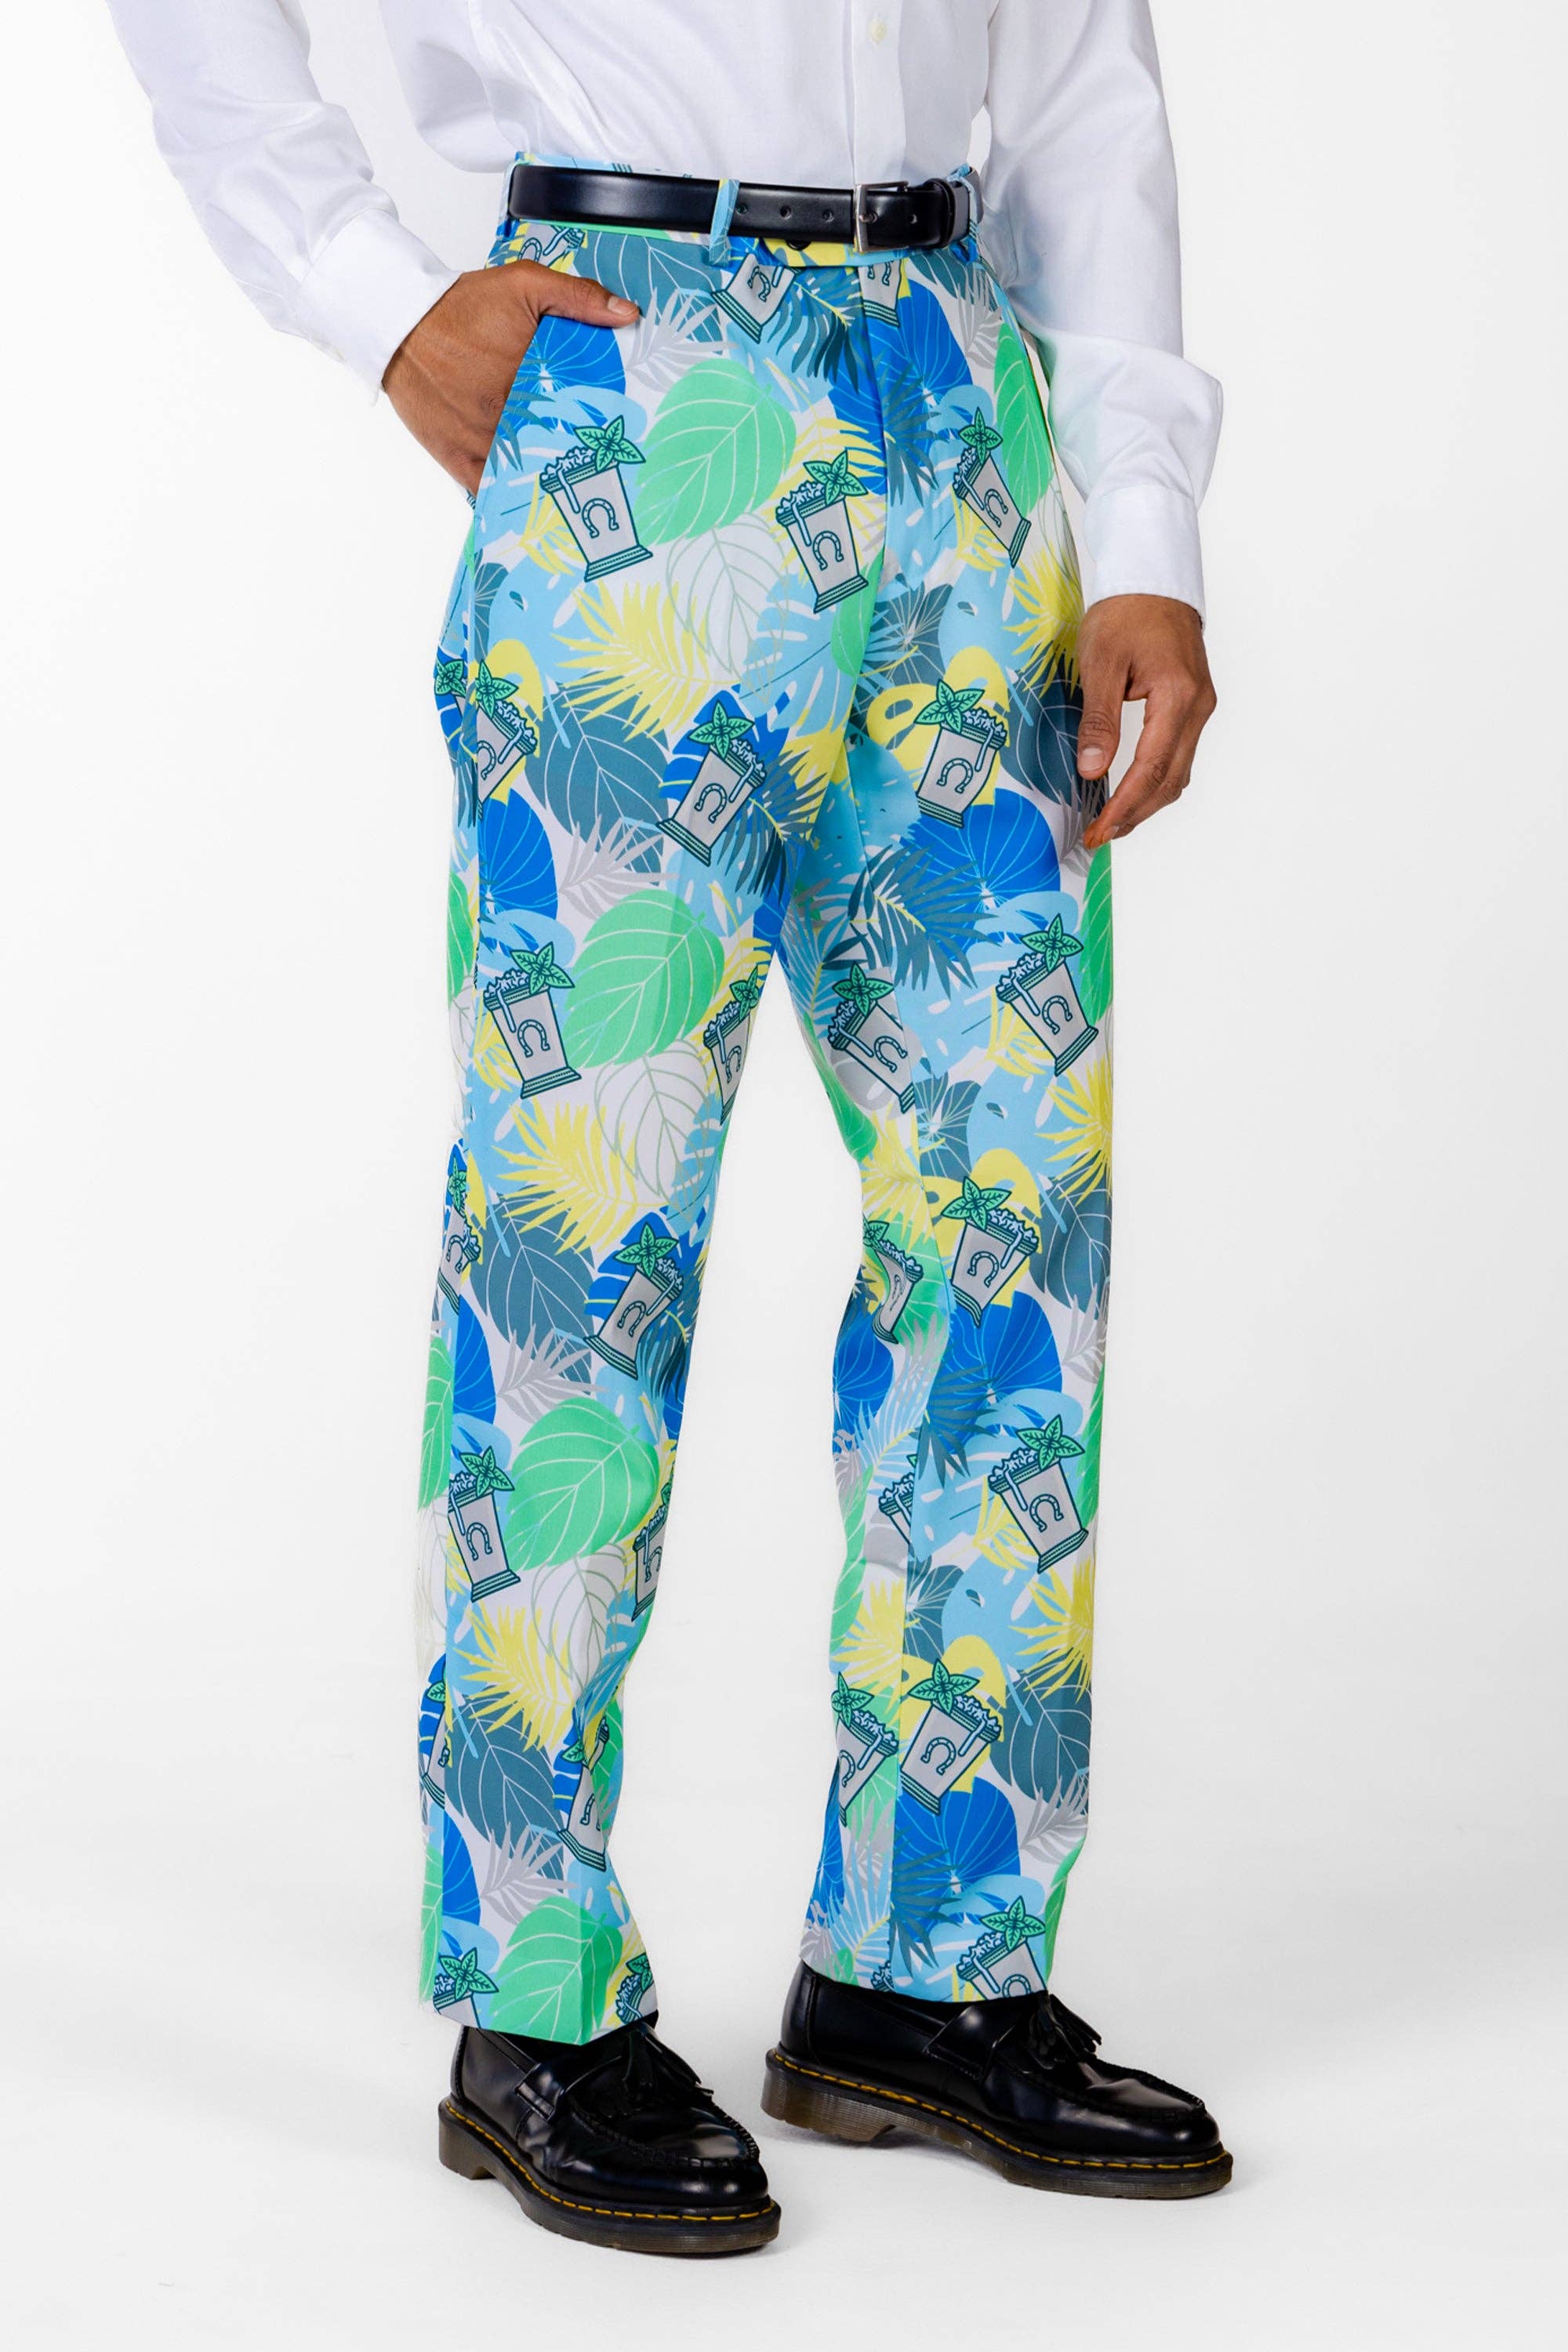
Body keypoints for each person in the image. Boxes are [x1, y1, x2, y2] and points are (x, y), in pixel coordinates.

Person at [109, 0, 1226, 2254]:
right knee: (580, 1232)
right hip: (639, 356)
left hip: (958, 397)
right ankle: (535, 2002)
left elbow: (1081, 69)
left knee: (1009, 1220)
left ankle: (926, 1972)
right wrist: (367, 290)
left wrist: (1145, 517)